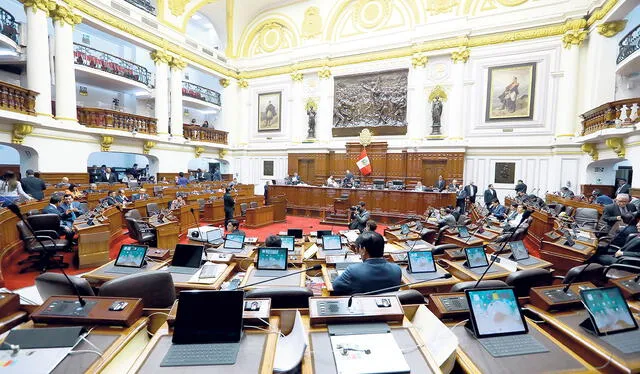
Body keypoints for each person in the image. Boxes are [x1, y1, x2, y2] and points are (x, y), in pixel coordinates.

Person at [332, 231, 402, 295]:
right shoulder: (397, 269)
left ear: (363, 250)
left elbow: (335, 286)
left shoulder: (353, 271)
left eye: (358, 248)